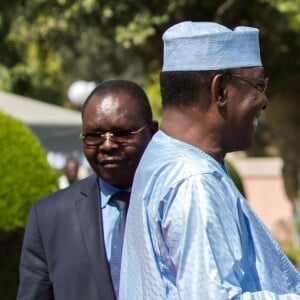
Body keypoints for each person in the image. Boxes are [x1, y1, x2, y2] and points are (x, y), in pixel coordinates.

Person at [119, 21, 300, 299]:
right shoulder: (193, 180)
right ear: (221, 91)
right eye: (257, 84)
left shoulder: (164, 154)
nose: (263, 101)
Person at [17, 79, 158, 300]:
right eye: (94, 135)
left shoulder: (179, 201)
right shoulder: (49, 217)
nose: (108, 144)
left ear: (152, 132)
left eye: (121, 133)